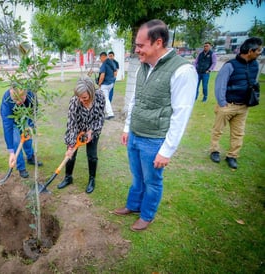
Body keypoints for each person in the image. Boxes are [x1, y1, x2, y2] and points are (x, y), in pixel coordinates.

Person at [112, 19, 197, 231]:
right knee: (137, 176)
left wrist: (166, 150)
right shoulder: (143, 66)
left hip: (154, 140)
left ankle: (147, 215)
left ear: (158, 43)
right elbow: (135, 100)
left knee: (152, 181)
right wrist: (126, 128)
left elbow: (181, 114)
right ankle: (133, 206)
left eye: (141, 45)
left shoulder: (183, 71)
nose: (136, 49)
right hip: (135, 135)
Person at [209, 37, 263, 169]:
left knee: (239, 133)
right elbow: (220, 85)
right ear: (250, 51)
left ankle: (232, 156)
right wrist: (222, 103)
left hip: (243, 106)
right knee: (218, 130)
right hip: (228, 105)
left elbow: (254, 83)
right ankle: (214, 150)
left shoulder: (255, 65)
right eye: (258, 50)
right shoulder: (230, 65)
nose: (259, 53)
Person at [56, 76, 105, 194]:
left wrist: (90, 132)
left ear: (92, 93)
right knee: (71, 154)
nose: (81, 100)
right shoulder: (74, 101)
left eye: (84, 97)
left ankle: (92, 179)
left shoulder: (100, 97)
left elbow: (100, 117)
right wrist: (70, 145)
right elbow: (72, 124)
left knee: (92, 156)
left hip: (93, 129)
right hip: (78, 129)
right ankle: (68, 177)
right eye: (79, 97)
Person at [0, 83, 42, 178]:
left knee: (28, 138)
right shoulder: (6, 102)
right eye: (15, 100)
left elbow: (33, 112)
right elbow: (7, 126)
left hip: (25, 117)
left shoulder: (31, 95)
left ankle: (30, 157)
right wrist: (11, 151)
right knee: (16, 142)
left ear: (26, 94)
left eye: (21, 99)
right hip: (13, 121)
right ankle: (21, 167)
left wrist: (30, 126)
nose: (18, 102)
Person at [97, 52, 116, 119]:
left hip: (105, 84)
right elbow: (115, 72)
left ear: (103, 57)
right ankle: (101, 111)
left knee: (106, 99)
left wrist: (99, 84)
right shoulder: (111, 63)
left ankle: (110, 114)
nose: (100, 59)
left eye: (100, 58)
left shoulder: (104, 64)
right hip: (111, 83)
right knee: (104, 98)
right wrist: (112, 80)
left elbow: (102, 76)